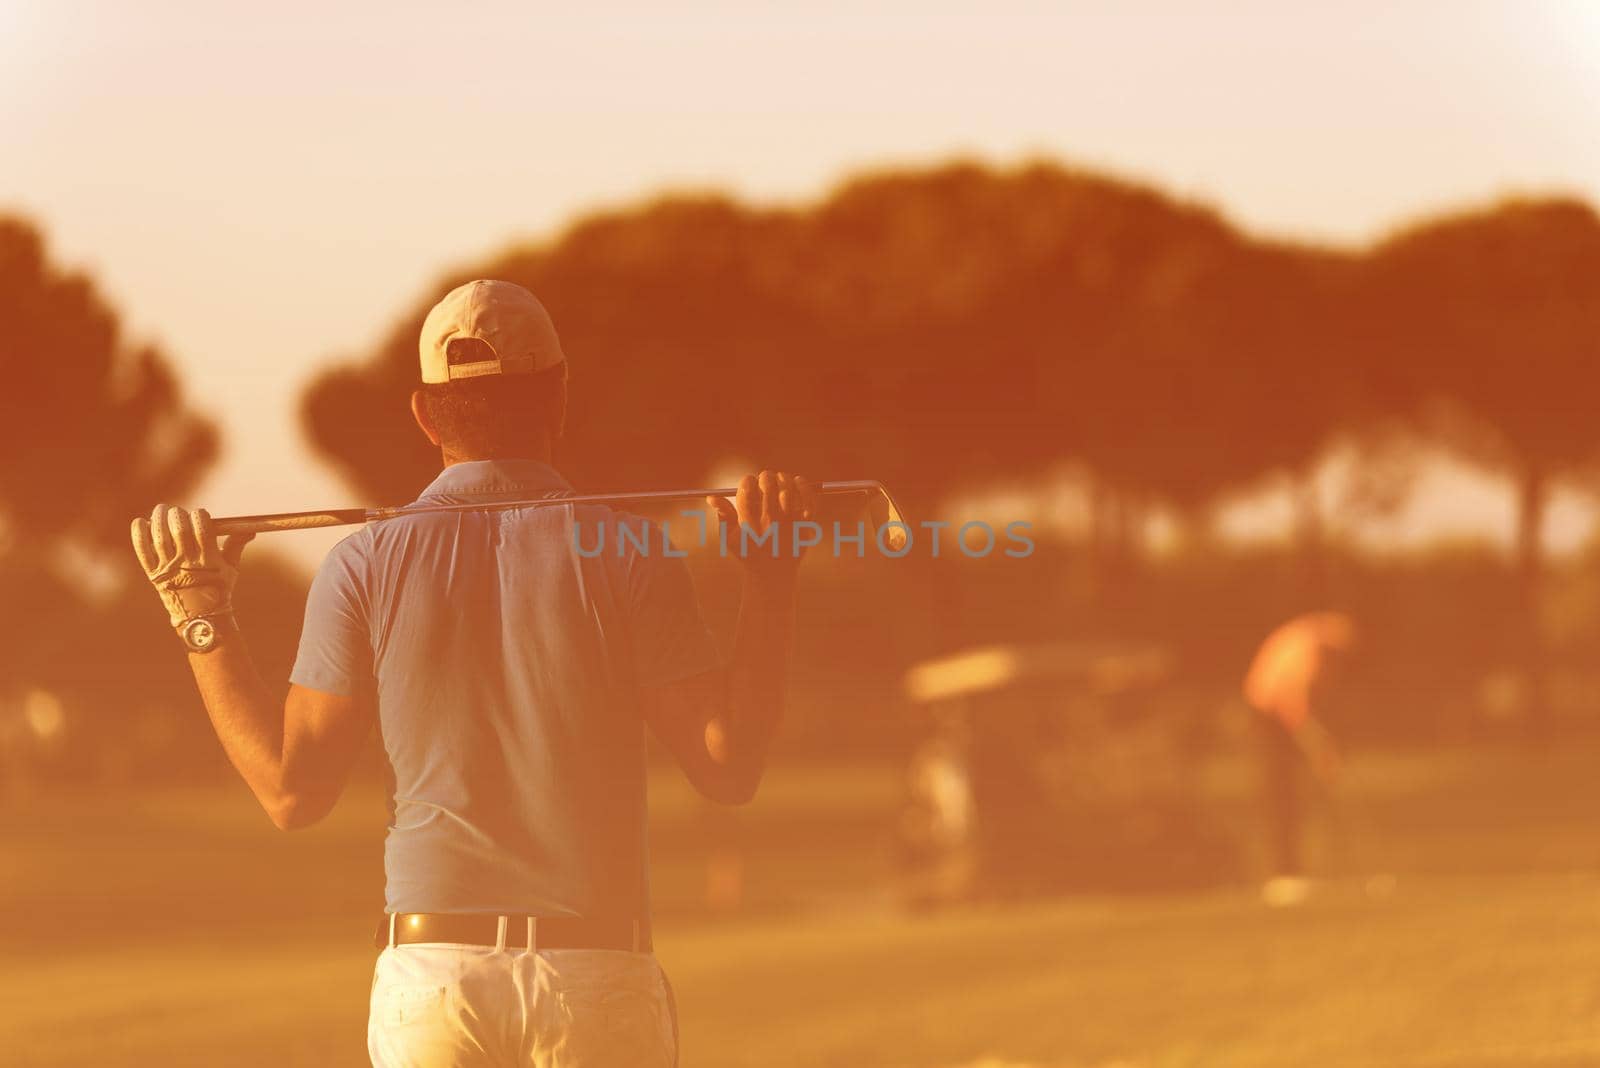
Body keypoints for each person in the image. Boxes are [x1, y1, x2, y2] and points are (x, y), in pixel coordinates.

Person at [130, 279, 816, 1067]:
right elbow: (729, 767)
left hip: (433, 986)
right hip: (595, 976)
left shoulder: (361, 565)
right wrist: (770, 579)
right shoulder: (630, 552)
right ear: (559, 396)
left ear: (424, 415)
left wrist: (199, 615)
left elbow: (292, 791)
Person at [1242, 610, 1357, 902]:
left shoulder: (1304, 637)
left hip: (1274, 716)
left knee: (1292, 795)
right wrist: (1317, 746)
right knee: (1280, 795)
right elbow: (1292, 703)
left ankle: (1294, 871)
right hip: (1266, 717)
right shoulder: (1308, 648)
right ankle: (1283, 877)